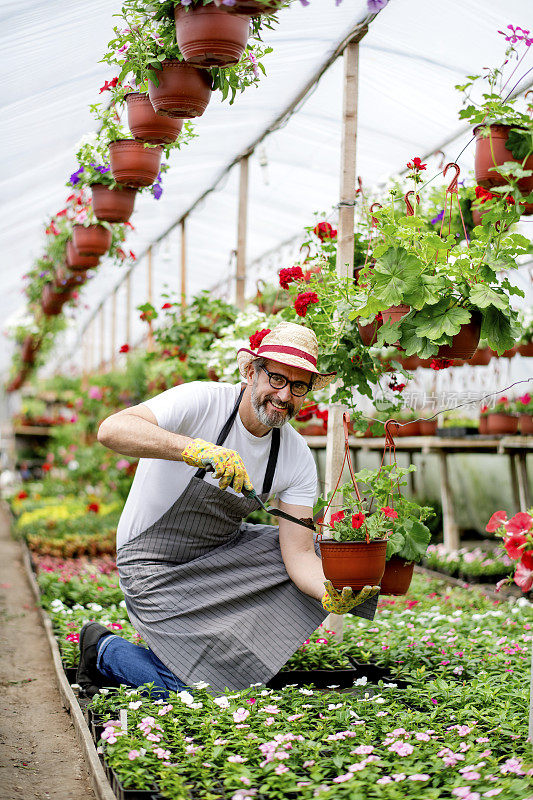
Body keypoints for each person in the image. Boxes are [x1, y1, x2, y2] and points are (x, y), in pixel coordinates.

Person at [77, 322, 379, 697]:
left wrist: (329, 590)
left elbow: (299, 554)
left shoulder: (295, 455)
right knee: (199, 693)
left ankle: (232, 658)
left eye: (298, 386)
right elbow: (112, 429)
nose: (284, 395)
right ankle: (103, 649)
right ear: (252, 372)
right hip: (152, 563)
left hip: (219, 557)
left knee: (327, 554)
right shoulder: (203, 400)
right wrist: (194, 449)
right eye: (277, 378)